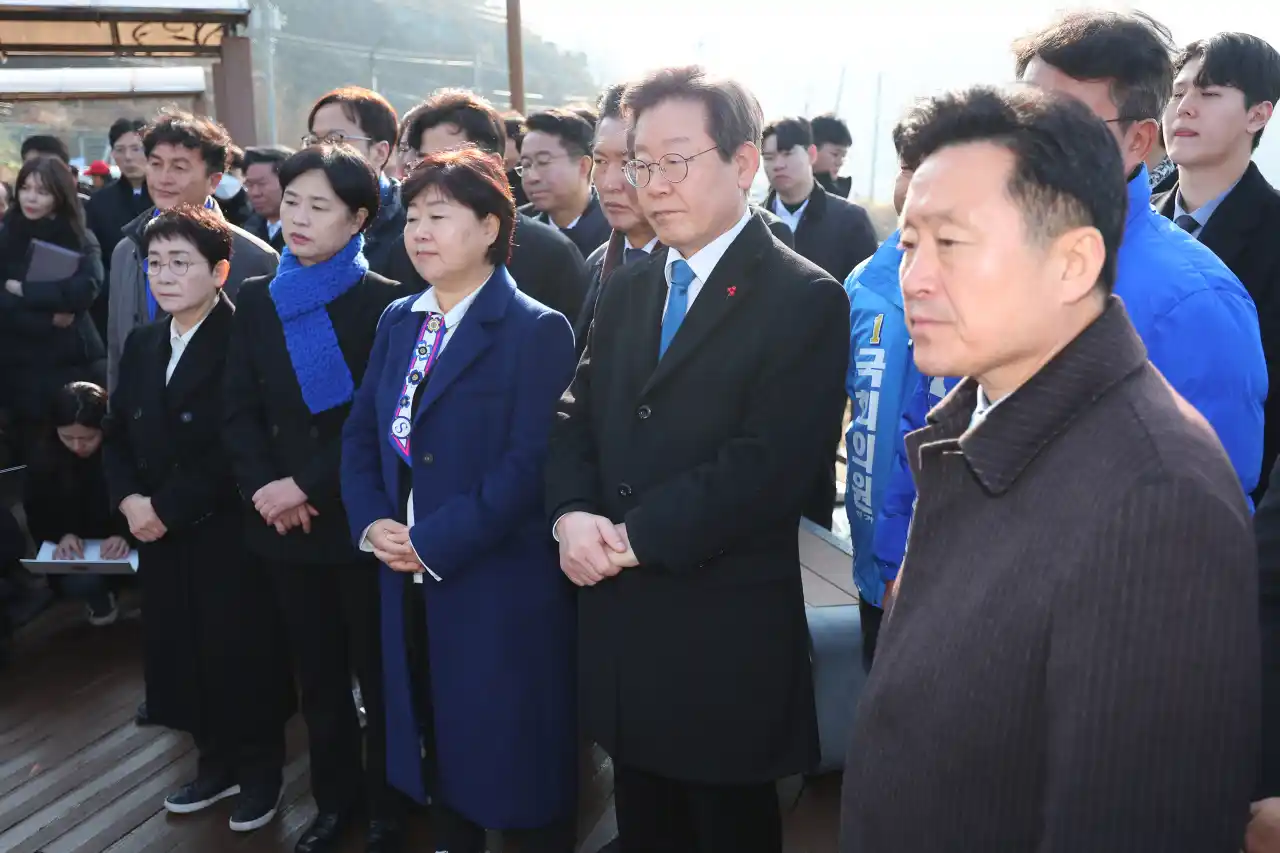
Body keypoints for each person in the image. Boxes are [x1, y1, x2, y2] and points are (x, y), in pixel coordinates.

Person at [839, 84, 1259, 853]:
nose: (915, 279)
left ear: (1073, 263)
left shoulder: (1154, 497)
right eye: (908, 244)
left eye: (952, 243)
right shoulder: (981, 411)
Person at [545, 66, 848, 853]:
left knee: (725, 830)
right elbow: (575, 415)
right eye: (640, 163)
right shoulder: (631, 283)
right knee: (644, 820)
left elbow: (768, 465)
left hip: (722, 638)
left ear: (743, 165)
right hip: (622, 629)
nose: (651, 183)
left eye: (675, 159)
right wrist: (571, 512)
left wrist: (631, 538)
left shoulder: (804, 296)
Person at [340, 147, 578, 853]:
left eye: (439, 216)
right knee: (432, 736)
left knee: (510, 750)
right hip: (401, 572)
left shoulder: (536, 327)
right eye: (412, 216)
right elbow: (360, 436)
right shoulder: (398, 320)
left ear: (490, 226)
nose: (419, 231)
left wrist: (433, 539)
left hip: (494, 577)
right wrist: (373, 521)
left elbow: (529, 462)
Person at [223, 144, 403, 853]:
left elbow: (379, 419)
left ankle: (389, 806)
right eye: (291, 201)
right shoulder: (260, 298)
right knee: (319, 681)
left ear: (358, 218)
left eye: (318, 206)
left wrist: (305, 482)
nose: (298, 218)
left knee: (381, 675)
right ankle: (335, 804)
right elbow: (236, 408)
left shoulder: (386, 302)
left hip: (358, 523)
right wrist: (267, 489)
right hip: (283, 527)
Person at [102, 204, 293, 835]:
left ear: (220, 271)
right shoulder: (144, 340)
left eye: (181, 262)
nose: (163, 275)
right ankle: (212, 762)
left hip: (223, 527)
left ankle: (261, 770)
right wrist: (130, 501)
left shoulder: (243, 336)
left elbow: (234, 442)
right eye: (155, 263)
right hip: (156, 528)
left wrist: (165, 507)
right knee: (179, 647)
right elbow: (116, 432)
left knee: (240, 649)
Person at [1154, 32, 1280, 501]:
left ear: (1258, 113)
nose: (1184, 108)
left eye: (1208, 94)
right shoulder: (1124, 228)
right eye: (1177, 92)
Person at [381, 89, 589, 325]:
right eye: (426, 161)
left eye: (452, 161)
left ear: (495, 166)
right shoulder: (406, 250)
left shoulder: (551, 255)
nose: (436, 175)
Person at [106, 110, 278, 392]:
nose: (163, 178)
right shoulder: (126, 251)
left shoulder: (254, 258)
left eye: (179, 167)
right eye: (156, 164)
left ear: (214, 181)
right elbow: (117, 351)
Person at [843, 121, 917, 671]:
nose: (917, 182)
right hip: (873, 551)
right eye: (908, 165)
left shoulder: (992, 283)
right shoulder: (865, 282)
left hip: (941, 563)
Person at [0, 155, 106, 463]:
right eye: (26, 188)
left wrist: (24, 290)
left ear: (60, 195)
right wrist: (48, 316)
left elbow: (85, 290)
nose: (31, 197)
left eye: (43, 191)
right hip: (16, 363)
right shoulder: (7, 236)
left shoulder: (79, 236)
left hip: (68, 360)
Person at [23, 381, 130, 626]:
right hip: (79, 553)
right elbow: (38, 515)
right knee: (81, 582)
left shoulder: (123, 451)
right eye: (68, 437)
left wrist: (124, 534)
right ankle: (100, 600)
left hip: (125, 543)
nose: (78, 446)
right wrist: (62, 537)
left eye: (88, 438)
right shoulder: (44, 462)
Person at [576, 83, 660, 347]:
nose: (610, 183)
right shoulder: (597, 263)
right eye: (600, 162)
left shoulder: (691, 272)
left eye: (629, 164)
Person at [306, 87, 404, 272]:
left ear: (379, 152)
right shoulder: (299, 216)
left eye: (336, 139)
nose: (321, 150)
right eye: (313, 140)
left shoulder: (409, 225)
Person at [86, 118, 153, 336]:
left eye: (136, 148)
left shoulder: (168, 195)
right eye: (120, 149)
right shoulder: (98, 202)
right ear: (112, 154)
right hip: (115, 300)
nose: (129, 157)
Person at [518, 108, 612, 259]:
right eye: (526, 165)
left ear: (584, 166)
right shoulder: (517, 231)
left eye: (543, 162)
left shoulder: (614, 227)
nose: (532, 177)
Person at [242, 146, 294, 253]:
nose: (255, 193)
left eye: (262, 184)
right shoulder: (247, 231)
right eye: (250, 185)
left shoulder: (305, 229)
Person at [810, 113, 852, 198]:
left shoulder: (840, 198)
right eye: (835, 154)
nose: (839, 163)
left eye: (843, 156)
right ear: (812, 151)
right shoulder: (784, 190)